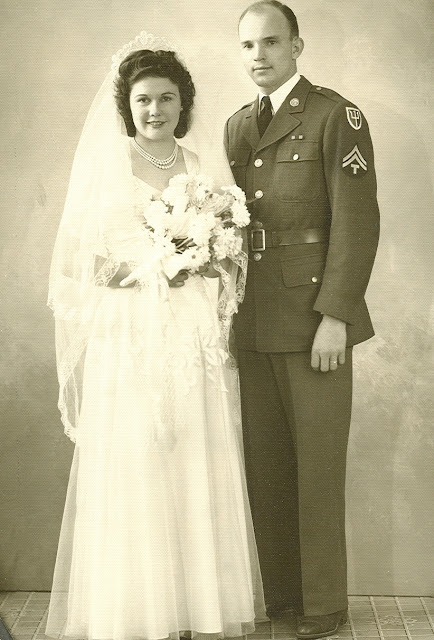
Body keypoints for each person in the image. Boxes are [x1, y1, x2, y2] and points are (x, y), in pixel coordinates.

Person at [46, 32, 264, 640]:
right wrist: (150, 269)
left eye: (167, 98)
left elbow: (227, 250)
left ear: (183, 103)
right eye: (143, 99)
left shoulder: (200, 167)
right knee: (137, 454)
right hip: (128, 331)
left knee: (190, 450)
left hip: (188, 329)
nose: (155, 110)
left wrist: (204, 258)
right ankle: (135, 610)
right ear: (127, 104)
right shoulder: (107, 164)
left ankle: (196, 608)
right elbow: (77, 262)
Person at [224, 2, 380, 638]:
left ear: (297, 45)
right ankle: (283, 598)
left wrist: (335, 316)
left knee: (316, 466)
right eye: (247, 45)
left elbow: (357, 220)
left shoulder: (335, 116)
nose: (258, 55)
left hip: (315, 319)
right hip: (254, 320)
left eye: (271, 42)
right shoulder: (238, 126)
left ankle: (323, 605)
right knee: (267, 467)